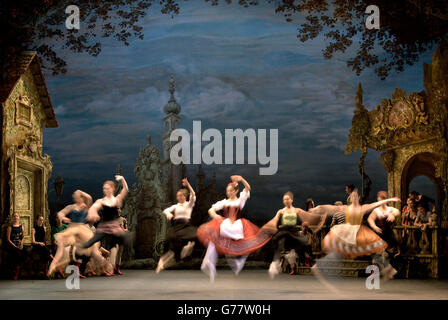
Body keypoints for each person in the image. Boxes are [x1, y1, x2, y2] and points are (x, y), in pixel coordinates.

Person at [197, 175, 277, 282]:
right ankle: (210, 263)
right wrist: (215, 215)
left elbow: (248, 188)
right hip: (226, 225)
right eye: (227, 191)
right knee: (214, 237)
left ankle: (238, 262)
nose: (228, 193)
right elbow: (211, 209)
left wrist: (242, 179)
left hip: (236, 226)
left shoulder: (240, 201)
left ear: (236, 191)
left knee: (243, 245)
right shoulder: (224, 202)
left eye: (231, 191)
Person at [310, 189, 401, 279]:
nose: (353, 197)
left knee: (376, 249)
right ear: (350, 199)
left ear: (358, 197)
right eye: (352, 196)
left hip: (358, 234)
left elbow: (375, 204)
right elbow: (329, 208)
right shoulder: (345, 208)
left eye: (355, 195)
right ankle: (319, 266)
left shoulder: (363, 207)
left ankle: (388, 269)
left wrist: (391, 200)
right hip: (347, 234)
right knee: (338, 253)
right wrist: (317, 209)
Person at [81, 175, 131, 276]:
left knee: (123, 238)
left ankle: (113, 264)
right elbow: (94, 207)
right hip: (103, 227)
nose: (105, 190)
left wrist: (122, 179)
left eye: (107, 188)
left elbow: (126, 189)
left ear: (112, 189)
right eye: (104, 188)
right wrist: (92, 213)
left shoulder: (116, 199)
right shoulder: (102, 201)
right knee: (90, 243)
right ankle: (81, 263)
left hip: (114, 227)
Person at [48, 189, 103, 277]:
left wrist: (80, 192)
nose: (75, 197)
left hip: (81, 230)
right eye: (75, 196)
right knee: (61, 245)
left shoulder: (85, 206)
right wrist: (63, 217)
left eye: (77, 196)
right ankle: (53, 264)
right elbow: (61, 213)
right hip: (72, 229)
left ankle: (102, 264)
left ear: (81, 197)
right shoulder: (72, 206)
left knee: (87, 249)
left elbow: (89, 198)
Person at [156, 178, 197, 273]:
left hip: (186, 226)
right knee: (172, 239)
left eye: (181, 196)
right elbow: (165, 210)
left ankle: (188, 248)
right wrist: (168, 214)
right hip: (177, 227)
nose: (179, 197)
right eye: (177, 196)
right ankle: (174, 257)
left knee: (194, 235)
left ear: (184, 196)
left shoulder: (188, 205)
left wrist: (188, 185)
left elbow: (193, 194)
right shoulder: (175, 206)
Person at [268, 192, 311, 279]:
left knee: (301, 244)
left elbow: (307, 217)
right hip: (284, 231)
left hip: (294, 232)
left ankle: (305, 259)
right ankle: (277, 263)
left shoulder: (297, 210)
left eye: (288, 199)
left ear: (292, 200)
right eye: (284, 199)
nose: (286, 201)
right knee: (278, 243)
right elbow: (275, 219)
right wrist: (270, 226)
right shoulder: (281, 211)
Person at [368, 191, 401, 259]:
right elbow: (370, 219)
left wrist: (392, 214)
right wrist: (374, 226)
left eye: (384, 198)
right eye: (381, 198)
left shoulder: (390, 209)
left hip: (389, 233)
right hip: (380, 233)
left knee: (395, 238)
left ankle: (396, 252)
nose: (382, 200)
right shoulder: (376, 210)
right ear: (378, 199)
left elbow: (397, 211)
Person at [6, 213, 25, 280]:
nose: (15, 217)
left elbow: (23, 237)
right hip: (12, 245)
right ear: (12, 218)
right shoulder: (10, 227)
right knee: (17, 254)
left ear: (19, 217)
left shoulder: (21, 226)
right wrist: (15, 246)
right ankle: (16, 272)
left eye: (17, 216)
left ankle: (19, 270)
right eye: (14, 216)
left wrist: (21, 243)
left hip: (19, 244)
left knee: (24, 253)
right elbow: (8, 239)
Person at [114, 207, 128, 275]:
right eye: (117, 209)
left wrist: (122, 229)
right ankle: (112, 268)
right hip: (114, 238)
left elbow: (126, 229)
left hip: (121, 238)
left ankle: (118, 268)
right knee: (114, 253)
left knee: (119, 254)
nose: (118, 210)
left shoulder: (123, 219)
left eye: (119, 209)